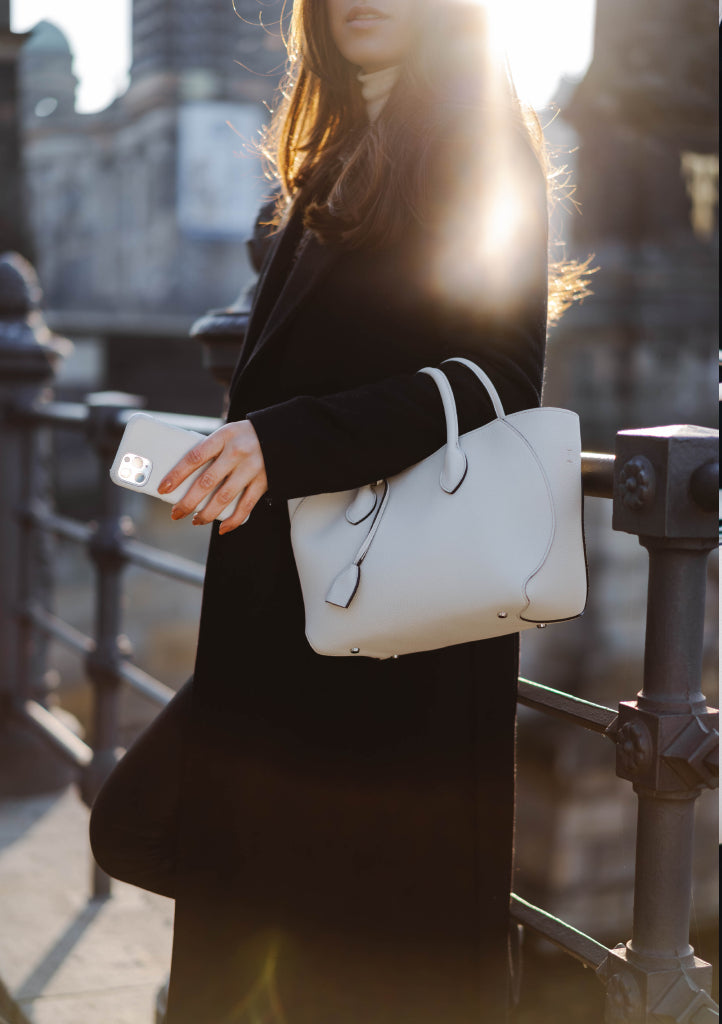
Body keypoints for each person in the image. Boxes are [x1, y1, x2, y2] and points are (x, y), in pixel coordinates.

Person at [90, 1, 588, 1020]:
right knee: (225, 884)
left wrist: (284, 440)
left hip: (389, 634)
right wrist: (238, 452)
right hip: (303, 617)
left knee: (347, 948)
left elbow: (501, 371)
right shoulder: (333, 155)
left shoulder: (478, 138)